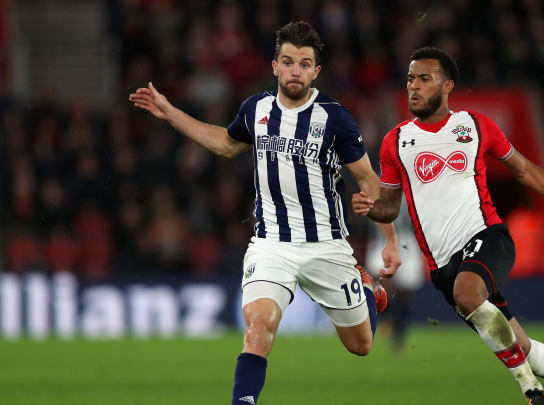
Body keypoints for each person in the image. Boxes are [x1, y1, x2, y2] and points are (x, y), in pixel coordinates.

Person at [130, 21, 400, 405]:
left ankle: (369, 292)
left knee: (361, 346)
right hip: (271, 243)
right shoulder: (255, 109)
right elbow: (225, 144)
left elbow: (369, 181)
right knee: (258, 330)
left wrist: (388, 240)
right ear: (275, 66)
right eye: (288, 62)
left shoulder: (335, 118)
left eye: (304, 64)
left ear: (315, 72)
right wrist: (170, 112)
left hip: (327, 246)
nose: (295, 71)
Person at [352, 47, 544, 405]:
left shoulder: (476, 126)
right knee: (517, 343)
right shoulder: (396, 141)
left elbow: (523, 170)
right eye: (410, 79)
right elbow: (389, 206)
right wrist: (372, 208)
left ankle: (533, 393)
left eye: (424, 79)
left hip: (486, 236)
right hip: (442, 265)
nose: (413, 87)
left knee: (469, 293)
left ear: (447, 85)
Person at [365, 198, 425, 354]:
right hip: (381, 239)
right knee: (383, 280)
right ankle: (386, 318)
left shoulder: (410, 183)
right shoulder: (375, 183)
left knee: (406, 292)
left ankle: (399, 337)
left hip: (406, 240)